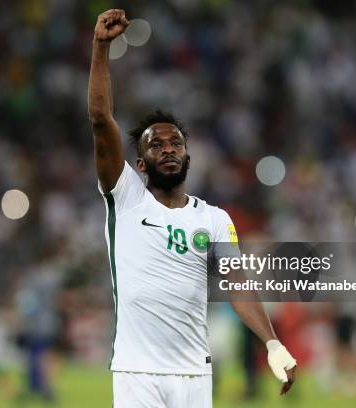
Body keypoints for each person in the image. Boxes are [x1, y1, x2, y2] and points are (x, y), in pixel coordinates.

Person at [88, 9, 297, 407]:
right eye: (156, 145)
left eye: (176, 144)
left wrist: (271, 342)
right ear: (141, 164)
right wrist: (101, 48)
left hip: (194, 375)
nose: (168, 149)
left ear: (188, 158)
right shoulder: (126, 199)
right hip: (137, 373)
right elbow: (100, 119)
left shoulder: (214, 219)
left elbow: (238, 283)